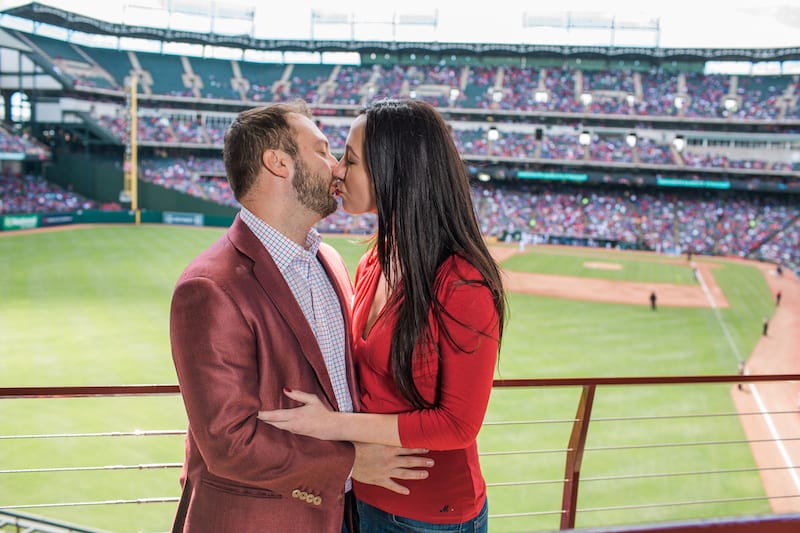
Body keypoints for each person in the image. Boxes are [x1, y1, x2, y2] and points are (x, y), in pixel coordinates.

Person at [169, 101, 431, 533]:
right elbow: (228, 444)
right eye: (324, 151)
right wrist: (350, 464)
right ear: (278, 163)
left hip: (342, 517)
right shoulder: (210, 287)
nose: (338, 167)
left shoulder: (328, 258)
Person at [259, 99, 506, 533]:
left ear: (393, 173)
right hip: (362, 493)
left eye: (350, 160)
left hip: (432, 516)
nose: (337, 170)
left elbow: (458, 425)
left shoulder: (462, 282)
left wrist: (332, 426)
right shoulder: (375, 259)